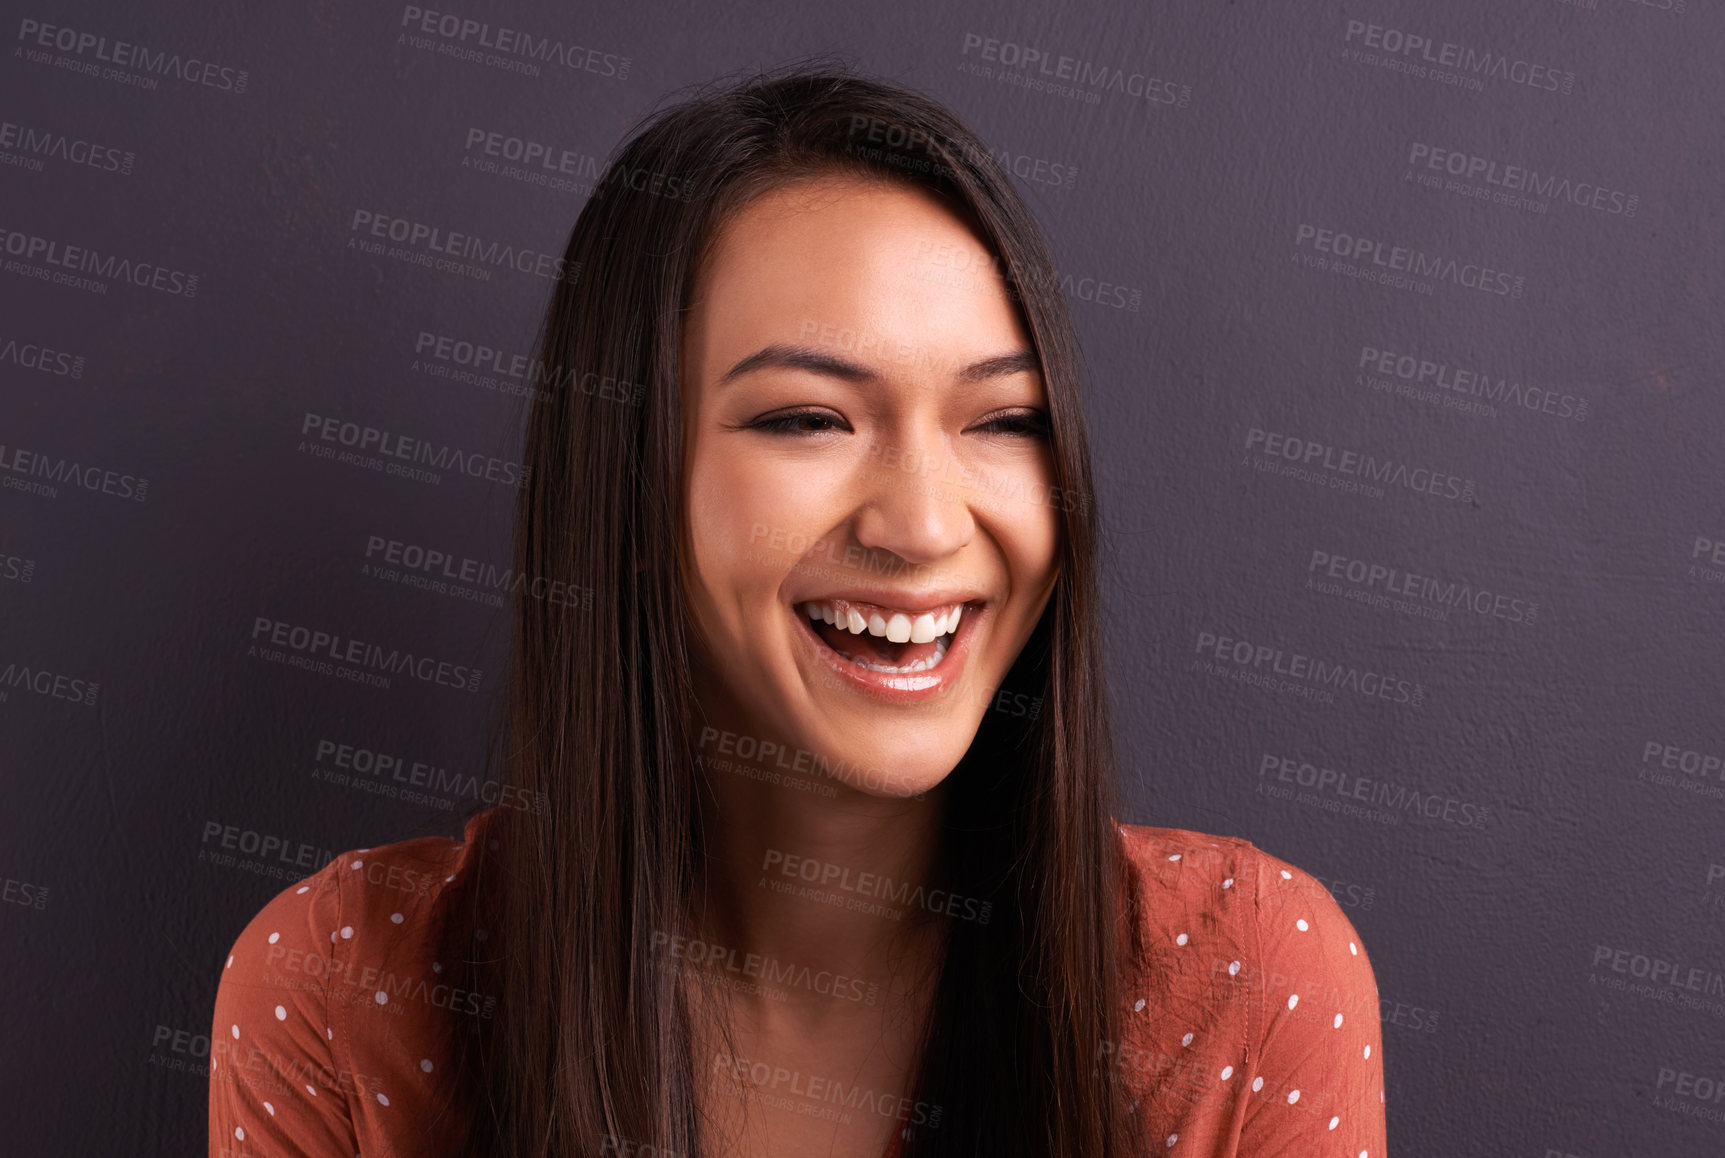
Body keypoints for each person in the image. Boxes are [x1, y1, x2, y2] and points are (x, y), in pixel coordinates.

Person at [209, 63, 1386, 1158]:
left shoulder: (1241, 979)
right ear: (623, 482)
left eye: (1002, 422)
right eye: (808, 420)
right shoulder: (339, 990)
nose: (924, 526)